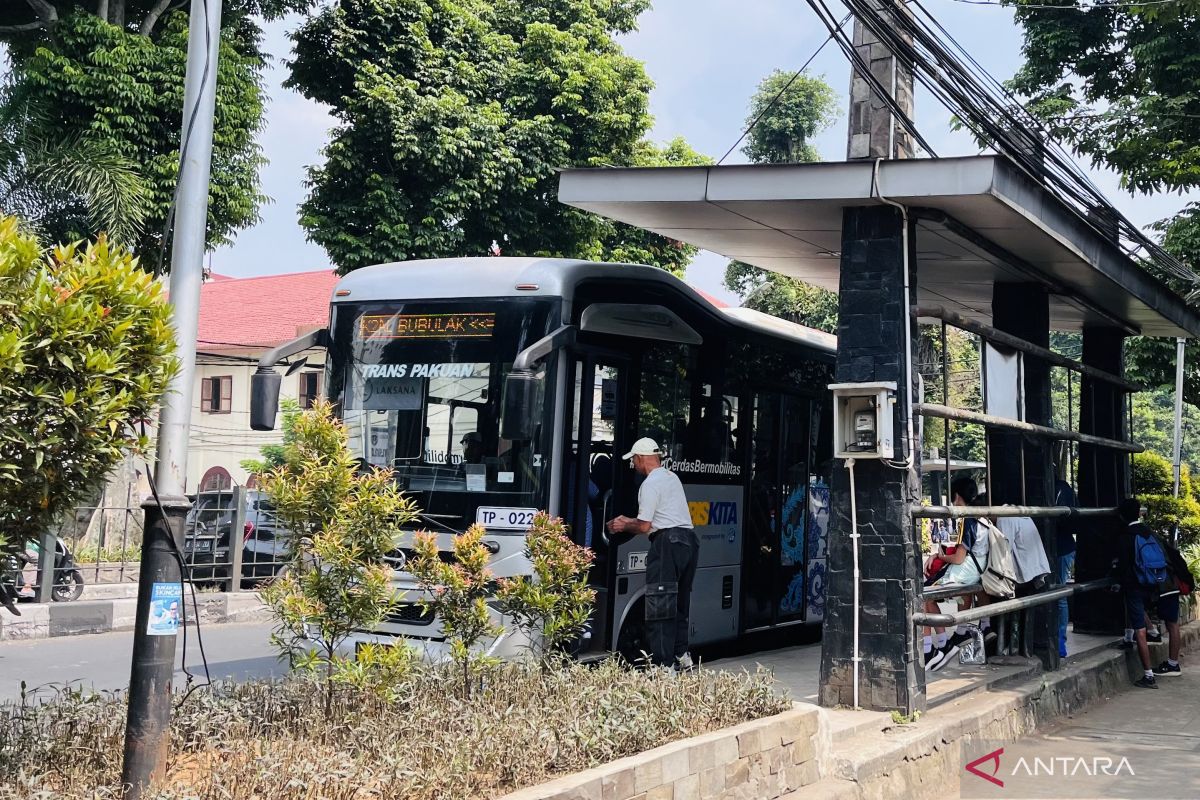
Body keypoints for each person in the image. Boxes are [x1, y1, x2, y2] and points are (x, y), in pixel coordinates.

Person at [606, 437, 699, 670]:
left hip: (667, 543)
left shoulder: (649, 484)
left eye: (633, 460)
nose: (633, 466)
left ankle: (663, 666)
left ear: (640, 458)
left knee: (660, 605)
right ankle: (681, 656)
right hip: (689, 542)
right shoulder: (671, 477)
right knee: (680, 603)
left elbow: (645, 526)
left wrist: (622, 524)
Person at [1113, 499, 1182, 687]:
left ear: (1120, 516)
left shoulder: (1124, 537)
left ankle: (1149, 675)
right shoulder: (1151, 533)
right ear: (1139, 514)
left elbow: (1123, 567)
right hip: (1159, 583)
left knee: (1139, 630)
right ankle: (1171, 661)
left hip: (1136, 586)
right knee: (1171, 622)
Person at [922, 477, 987, 671]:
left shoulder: (967, 519)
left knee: (923, 595)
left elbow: (959, 558)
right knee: (961, 595)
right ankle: (959, 632)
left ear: (957, 496)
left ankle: (936, 647)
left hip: (965, 570)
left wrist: (941, 555)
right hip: (977, 568)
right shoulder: (982, 516)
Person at [1054, 478, 1078, 657]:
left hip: (1060, 546)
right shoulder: (1064, 488)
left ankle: (1060, 639)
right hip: (1064, 545)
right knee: (1060, 593)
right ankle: (1059, 640)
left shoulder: (1058, 489)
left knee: (1059, 593)